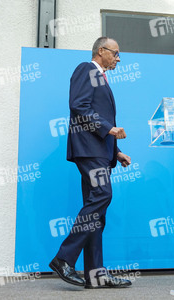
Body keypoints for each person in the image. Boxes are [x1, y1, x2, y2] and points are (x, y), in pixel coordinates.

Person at [49, 37, 132, 289]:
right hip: (89, 149)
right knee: (102, 195)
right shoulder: (86, 68)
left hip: (100, 151)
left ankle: (95, 275)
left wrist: (116, 151)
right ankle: (63, 259)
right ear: (101, 51)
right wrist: (108, 129)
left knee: (97, 212)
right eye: (116, 53)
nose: (118, 58)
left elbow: (99, 114)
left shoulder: (102, 78)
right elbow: (78, 106)